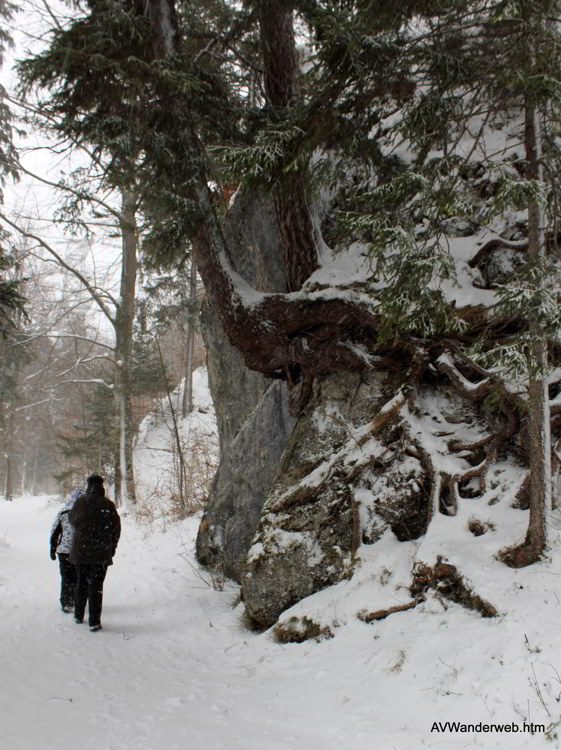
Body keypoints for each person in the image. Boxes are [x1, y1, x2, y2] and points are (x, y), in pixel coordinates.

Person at [68, 474, 121, 632]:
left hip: (80, 551)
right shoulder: (108, 504)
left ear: (88, 486)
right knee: (96, 587)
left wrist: (84, 529)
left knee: (81, 584)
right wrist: (111, 548)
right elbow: (116, 529)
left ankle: (78, 615)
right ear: (101, 487)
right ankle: (94, 621)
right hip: (101, 553)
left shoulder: (80, 502)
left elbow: (72, 520)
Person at [50, 487, 85, 612]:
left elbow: (55, 532)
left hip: (64, 551)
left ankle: (66, 602)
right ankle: (77, 601)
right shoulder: (86, 511)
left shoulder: (63, 511)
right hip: (81, 550)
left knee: (66, 577)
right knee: (79, 577)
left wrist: (52, 548)